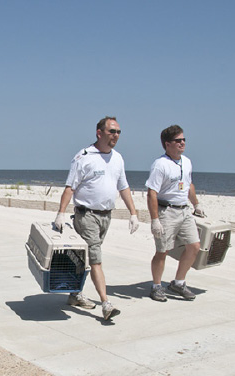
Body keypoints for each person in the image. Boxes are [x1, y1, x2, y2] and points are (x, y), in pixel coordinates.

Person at [53, 116, 139, 321]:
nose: (116, 135)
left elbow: (123, 186)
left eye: (118, 132)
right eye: (112, 131)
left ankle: (74, 294)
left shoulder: (118, 158)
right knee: (96, 259)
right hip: (86, 215)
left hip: (105, 217)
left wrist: (134, 214)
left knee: (85, 260)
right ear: (99, 133)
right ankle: (106, 303)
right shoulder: (84, 157)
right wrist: (61, 213)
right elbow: (70, 187)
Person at [145, 124, 205, 302]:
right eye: (178, 140)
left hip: (184, 210)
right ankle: (156, 286)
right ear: (167, 144)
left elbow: (188, 185)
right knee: (162, 251)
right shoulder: (160, 165)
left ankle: (178, 282)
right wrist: (155, 220)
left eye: (184, 139)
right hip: (166, 211)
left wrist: (196, 204)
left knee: (194, 246)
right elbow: (151, 193)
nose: (182, 143)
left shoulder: (187, 162)